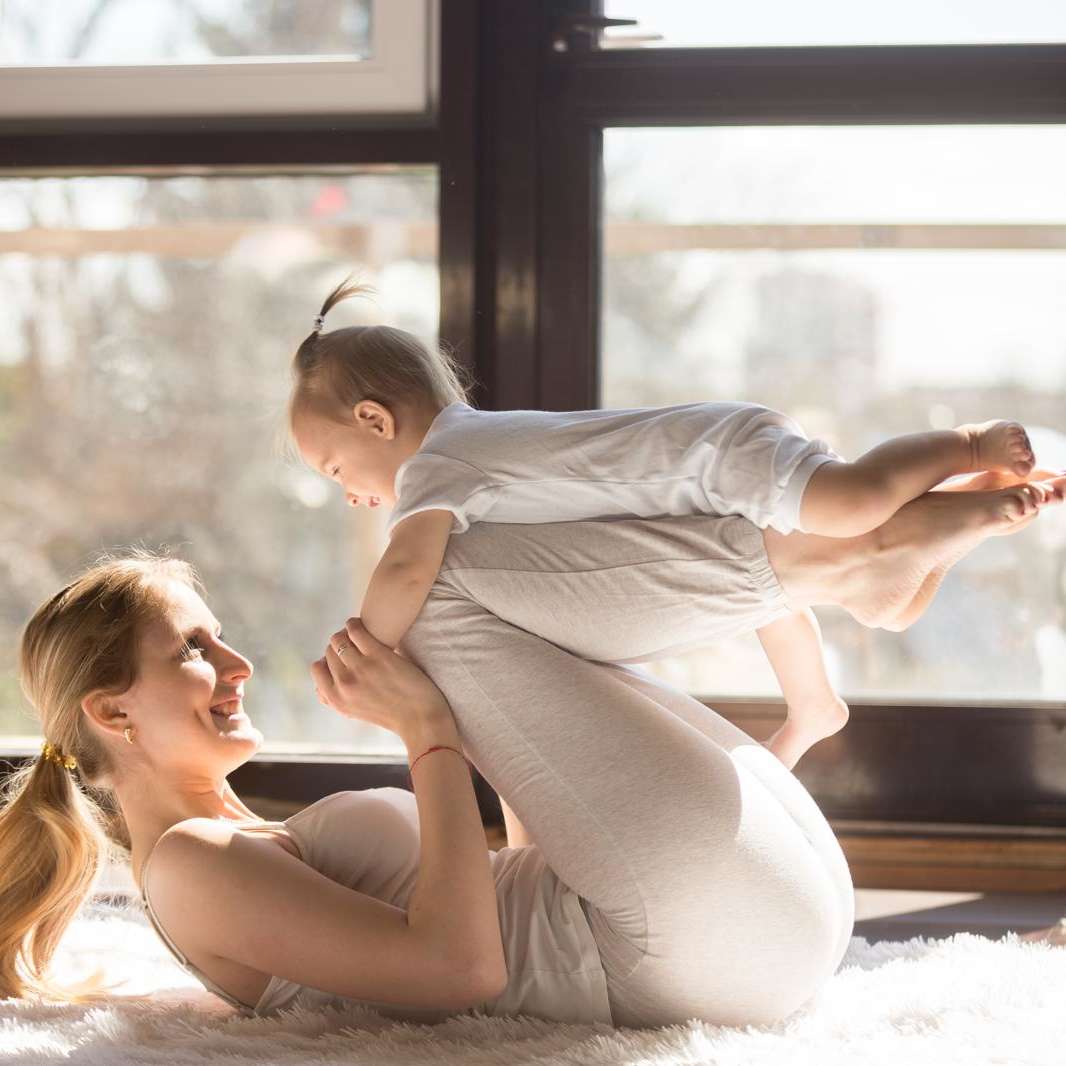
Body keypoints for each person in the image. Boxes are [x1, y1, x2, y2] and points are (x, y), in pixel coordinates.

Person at [2, 468, 1060, 1028]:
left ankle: (812, 583)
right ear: (114, 712)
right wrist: (430, 732)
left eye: (220, 632)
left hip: (741, 933)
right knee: (437, 589)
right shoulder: (188, 865)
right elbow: (458, 967)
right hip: (677, 953)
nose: (237, 661)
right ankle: (822, 567)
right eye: (194, 647)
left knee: (453, 598)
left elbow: (518, 868)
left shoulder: (230, 843)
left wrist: (469, 726)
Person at [289, 277, 1045, 768]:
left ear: (373, 420)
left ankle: (965, 445)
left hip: (720, 457)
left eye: (335, 470)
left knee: (850, 499)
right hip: (707, 479)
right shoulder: (466, 451)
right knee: (781, 597)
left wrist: (366, 647)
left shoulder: (436, 465)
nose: (351, 495)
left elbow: (407, 569)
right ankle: (818, 697)